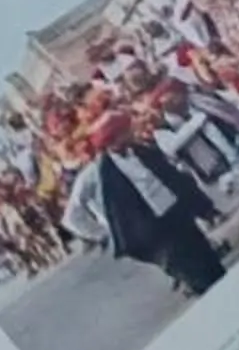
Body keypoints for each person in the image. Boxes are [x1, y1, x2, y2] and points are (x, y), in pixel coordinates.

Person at [60, 108, 228, 297]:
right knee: (193, 273)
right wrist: (102, 234)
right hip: (150, 233)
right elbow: (72, 216)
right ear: (114, 139)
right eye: (125, 131)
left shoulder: (142, 150)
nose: (130, 132)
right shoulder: (95, 174)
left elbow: (174, 178)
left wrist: (202, 207)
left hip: (176, 215)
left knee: (211, 264)